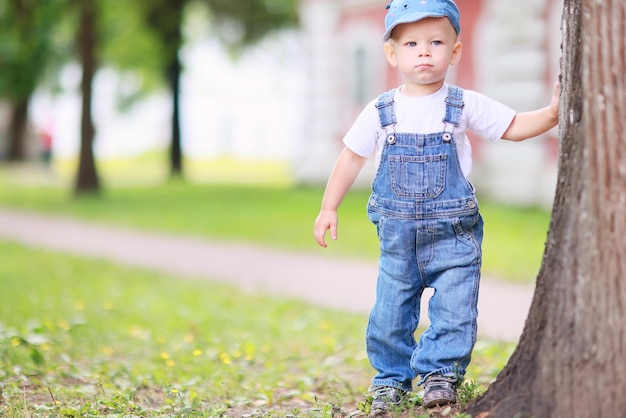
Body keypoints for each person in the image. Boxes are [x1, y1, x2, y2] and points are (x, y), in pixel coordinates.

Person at [313, 0, 559, 415]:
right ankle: (390, 381)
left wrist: (553, 113)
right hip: (398, 242)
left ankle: (440, 374)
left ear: (455, 51)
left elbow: (512, 126)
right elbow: (351, 157)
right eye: (410, 43)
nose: (423, 51)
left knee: (455, 312)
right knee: (390, 315)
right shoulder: (380, 111)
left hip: (454, 238)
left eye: (435, 42)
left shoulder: (463, 104)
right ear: (391, 53)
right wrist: (328, 208)